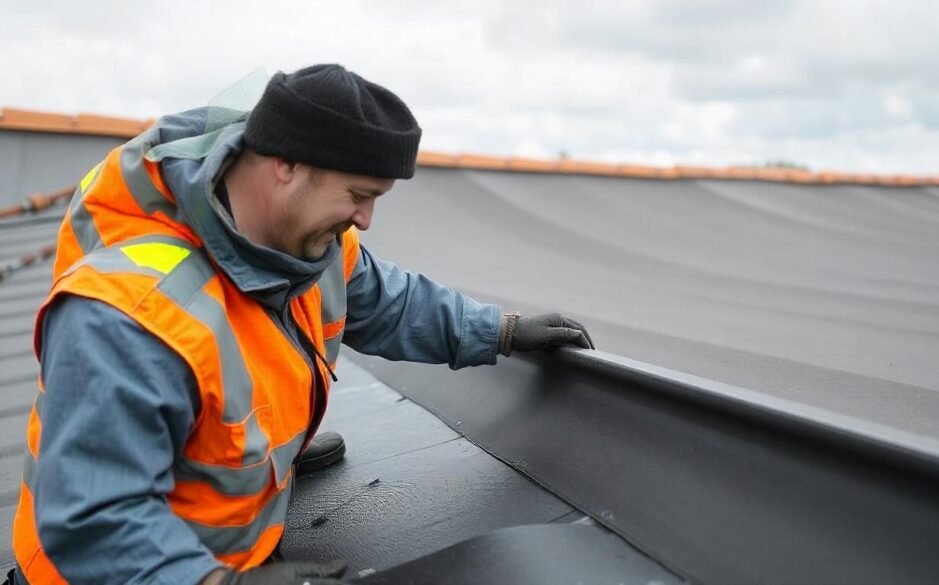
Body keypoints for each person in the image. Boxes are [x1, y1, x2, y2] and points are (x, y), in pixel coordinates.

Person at [8, 64, 593, 585]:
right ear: (285, 166)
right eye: (359, 195)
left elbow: (388, 302)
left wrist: (501, 330)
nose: (365, 218)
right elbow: (91, 524)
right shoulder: (129, 316)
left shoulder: (310, 245)